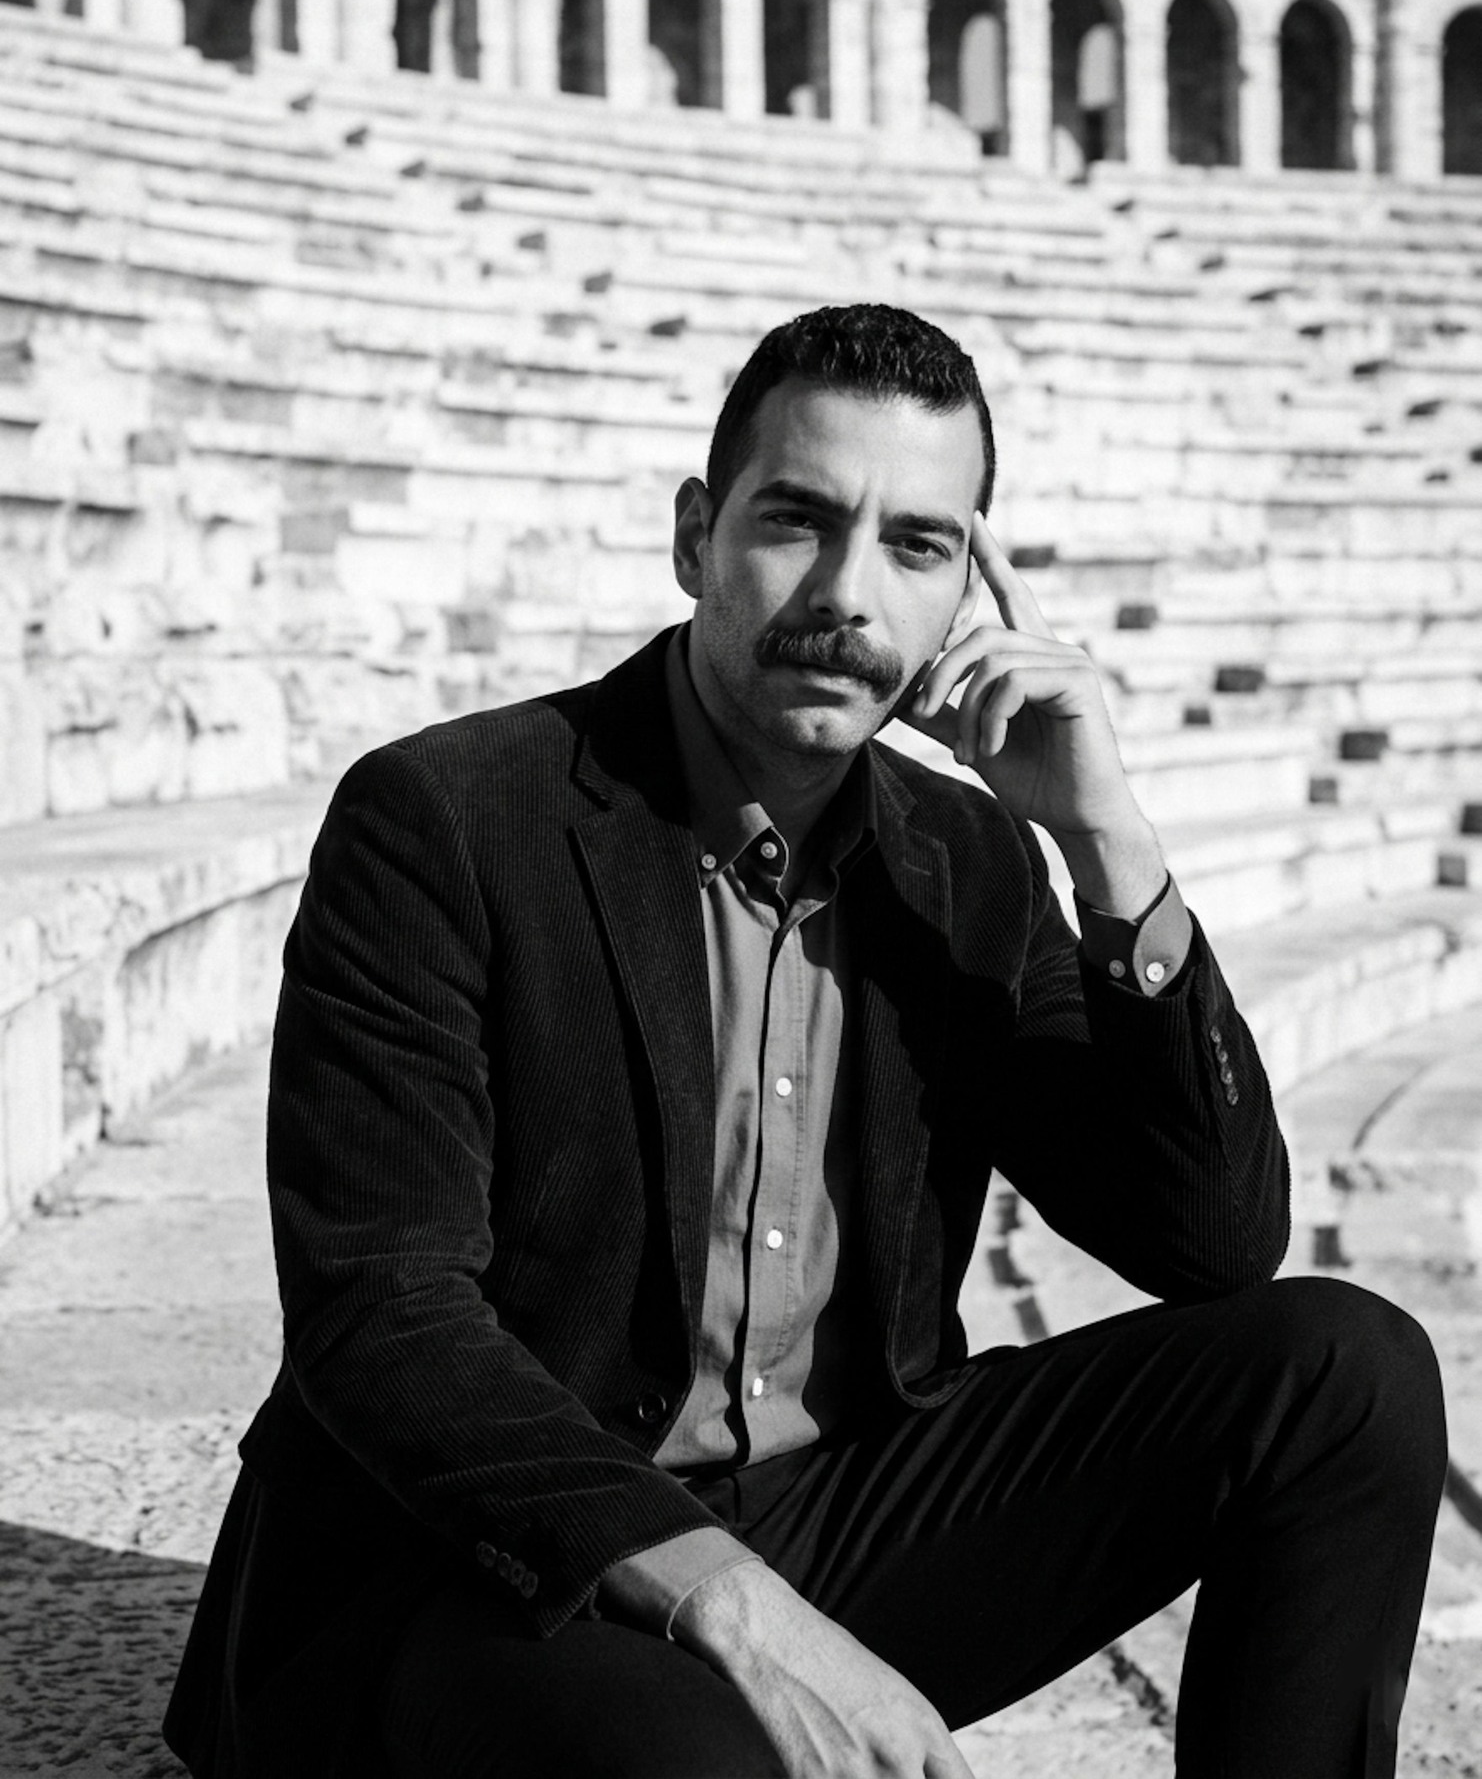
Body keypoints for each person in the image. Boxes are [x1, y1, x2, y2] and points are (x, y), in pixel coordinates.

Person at [165, 304, 1446, 1779]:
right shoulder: (449, 818)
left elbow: (1210, 1240)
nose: (847, 594)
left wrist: (1107, 842)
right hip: (488, 1561)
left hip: (827, 1510)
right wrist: (736, 1608)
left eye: (915, 546)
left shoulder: (965, 858)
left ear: (970, 588)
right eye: (796, 520)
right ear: (695, 534)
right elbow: (380, 1315)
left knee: (1345, 1374)